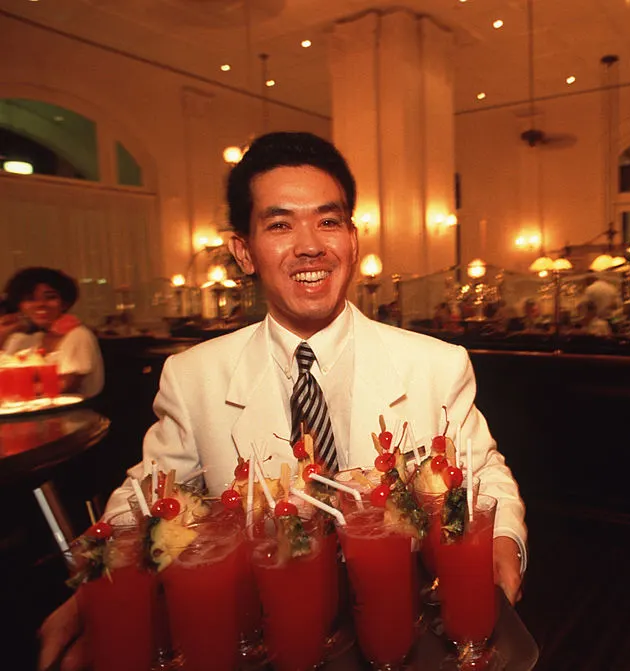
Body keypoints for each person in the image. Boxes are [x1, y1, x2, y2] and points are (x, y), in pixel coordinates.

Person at [39, 132, 526, 669]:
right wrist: (99, 589)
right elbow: (148, 493)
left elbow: (481, 471)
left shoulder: (437, 364)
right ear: (243, 252)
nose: (310, 244)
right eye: (279, 224)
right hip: (267, 635)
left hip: (405, 624)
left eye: (328, 220)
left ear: (353, 240)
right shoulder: (192, 376)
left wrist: (504, 541)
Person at [2, 267, 104, 398]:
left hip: (73, 414)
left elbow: (65, 386)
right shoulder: (27, 340)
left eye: (50, 297)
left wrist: (9, 387)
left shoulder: (78, 335)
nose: (40, 304)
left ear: (64, 303)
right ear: (20, 305)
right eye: (30, 299)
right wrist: (4, 333)